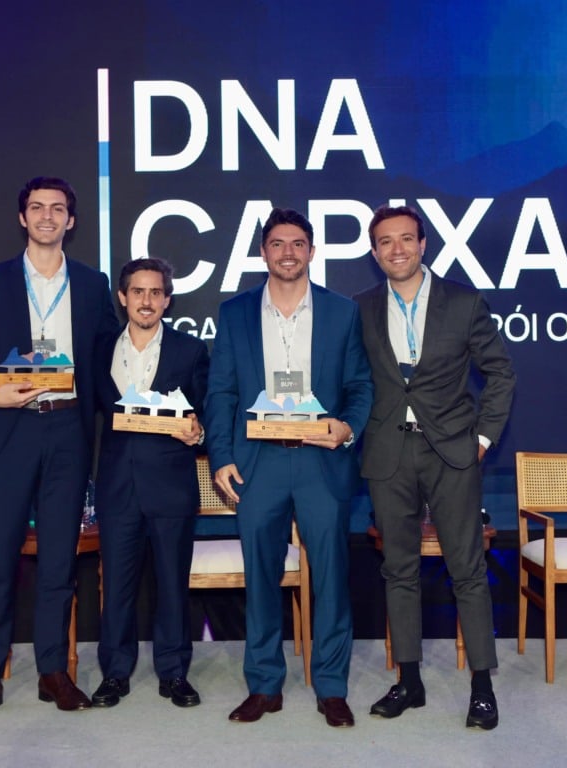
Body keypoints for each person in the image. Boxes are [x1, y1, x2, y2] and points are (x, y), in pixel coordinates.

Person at [0, 176, 120, 720]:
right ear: (22, 218)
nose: (47, 216)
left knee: (58, 561)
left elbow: (109, 361)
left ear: (71, 220)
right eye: (37, 207)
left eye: (58, 208)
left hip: (68, 433)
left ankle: (52, 672)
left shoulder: (91, 284)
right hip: (7, 432)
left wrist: (146, 408)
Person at [204, 207, 373, 728]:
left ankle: (331, 687)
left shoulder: (342, 312)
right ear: (263, 252)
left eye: (298, 243)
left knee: (331, 577)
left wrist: (347, 428)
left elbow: (360, 386)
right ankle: (264, 685)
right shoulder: (235, 313)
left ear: (312, 251)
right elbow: (221, 391)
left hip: (322, 460)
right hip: (258, 464)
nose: (288, 253)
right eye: (277, 243)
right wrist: (221, 456)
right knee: (261, 577)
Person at [355, 204, 515, 730]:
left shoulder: (464, 302)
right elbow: (353, 382)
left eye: (406, 238)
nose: (396, 248)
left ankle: (482, 688)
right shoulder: (360, 308)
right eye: (385, 241)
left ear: (423, 244)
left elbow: (500, 373)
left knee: (467, 570)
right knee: (398, 570)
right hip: (388, 454)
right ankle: (409, 681)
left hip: (452, 452)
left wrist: (482, 439)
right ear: (374, 251)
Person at [90, 257, 209, 709]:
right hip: (117, 483)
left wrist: (199, 432)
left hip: (171, 485)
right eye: (138, 292)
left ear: (167, 300)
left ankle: (174, 672)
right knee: (117, 586)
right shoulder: (99, 348)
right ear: (123, 297)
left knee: (172, 584)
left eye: (156, 292)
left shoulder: (190, 350)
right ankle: (114, 673)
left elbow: (206, 413)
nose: (146, 300)